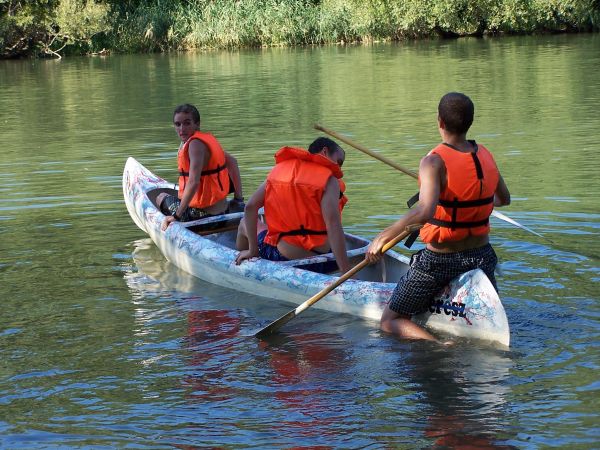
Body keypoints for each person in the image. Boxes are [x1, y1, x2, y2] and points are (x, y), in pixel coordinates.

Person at [365, 92, 511, 342]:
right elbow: (503, 198)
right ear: (470, 122)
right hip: (482, 256)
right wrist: (467, 206)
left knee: (390, 321)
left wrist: (384, 235)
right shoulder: (485, 154)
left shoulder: (433, 162)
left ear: (440, 121)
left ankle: (438, 345)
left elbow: (424, 212)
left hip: (440, 261)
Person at [235, 137, 351, 274]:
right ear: (325, 152)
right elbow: (333, 225)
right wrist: (346, 271)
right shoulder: (330, 181)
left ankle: (245, 259)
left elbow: (250, 207)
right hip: (324, 262)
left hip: (285, 259)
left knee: (244, 223)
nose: (339, 168)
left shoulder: (278, 172)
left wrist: (253, 250)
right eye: (339, 161)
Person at [158, 104, 244, 231]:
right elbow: (233, 162)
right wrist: (238, 199)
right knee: (178, 196)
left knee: (160, 197)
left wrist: (176, 216)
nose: (182, 128)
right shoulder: (205, 141)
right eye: (178, 124)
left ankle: (175, 221)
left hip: (204, 218)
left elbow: (193, 182)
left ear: (197, 124)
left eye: (187, 123)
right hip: (224, 211)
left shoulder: (194, 145)